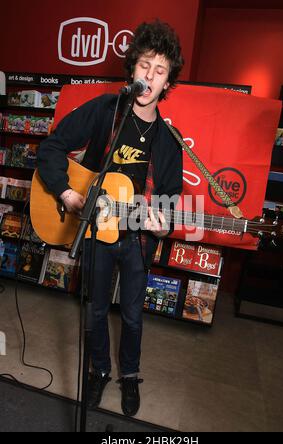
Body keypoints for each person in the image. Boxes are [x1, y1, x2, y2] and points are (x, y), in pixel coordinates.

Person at [37, 20, 184, 417]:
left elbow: (171, 202)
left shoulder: (169, 142)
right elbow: (51, 147)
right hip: (97, 232)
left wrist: (163, 223)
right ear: (132, 69)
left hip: (137, 241)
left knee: (133, 316)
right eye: (144, 66)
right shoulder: (107, 110)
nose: (149, 76)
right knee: (96, 310)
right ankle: (99, 370)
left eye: (160, 70)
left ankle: (130, 375)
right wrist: (67, 193)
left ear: (168, 82)